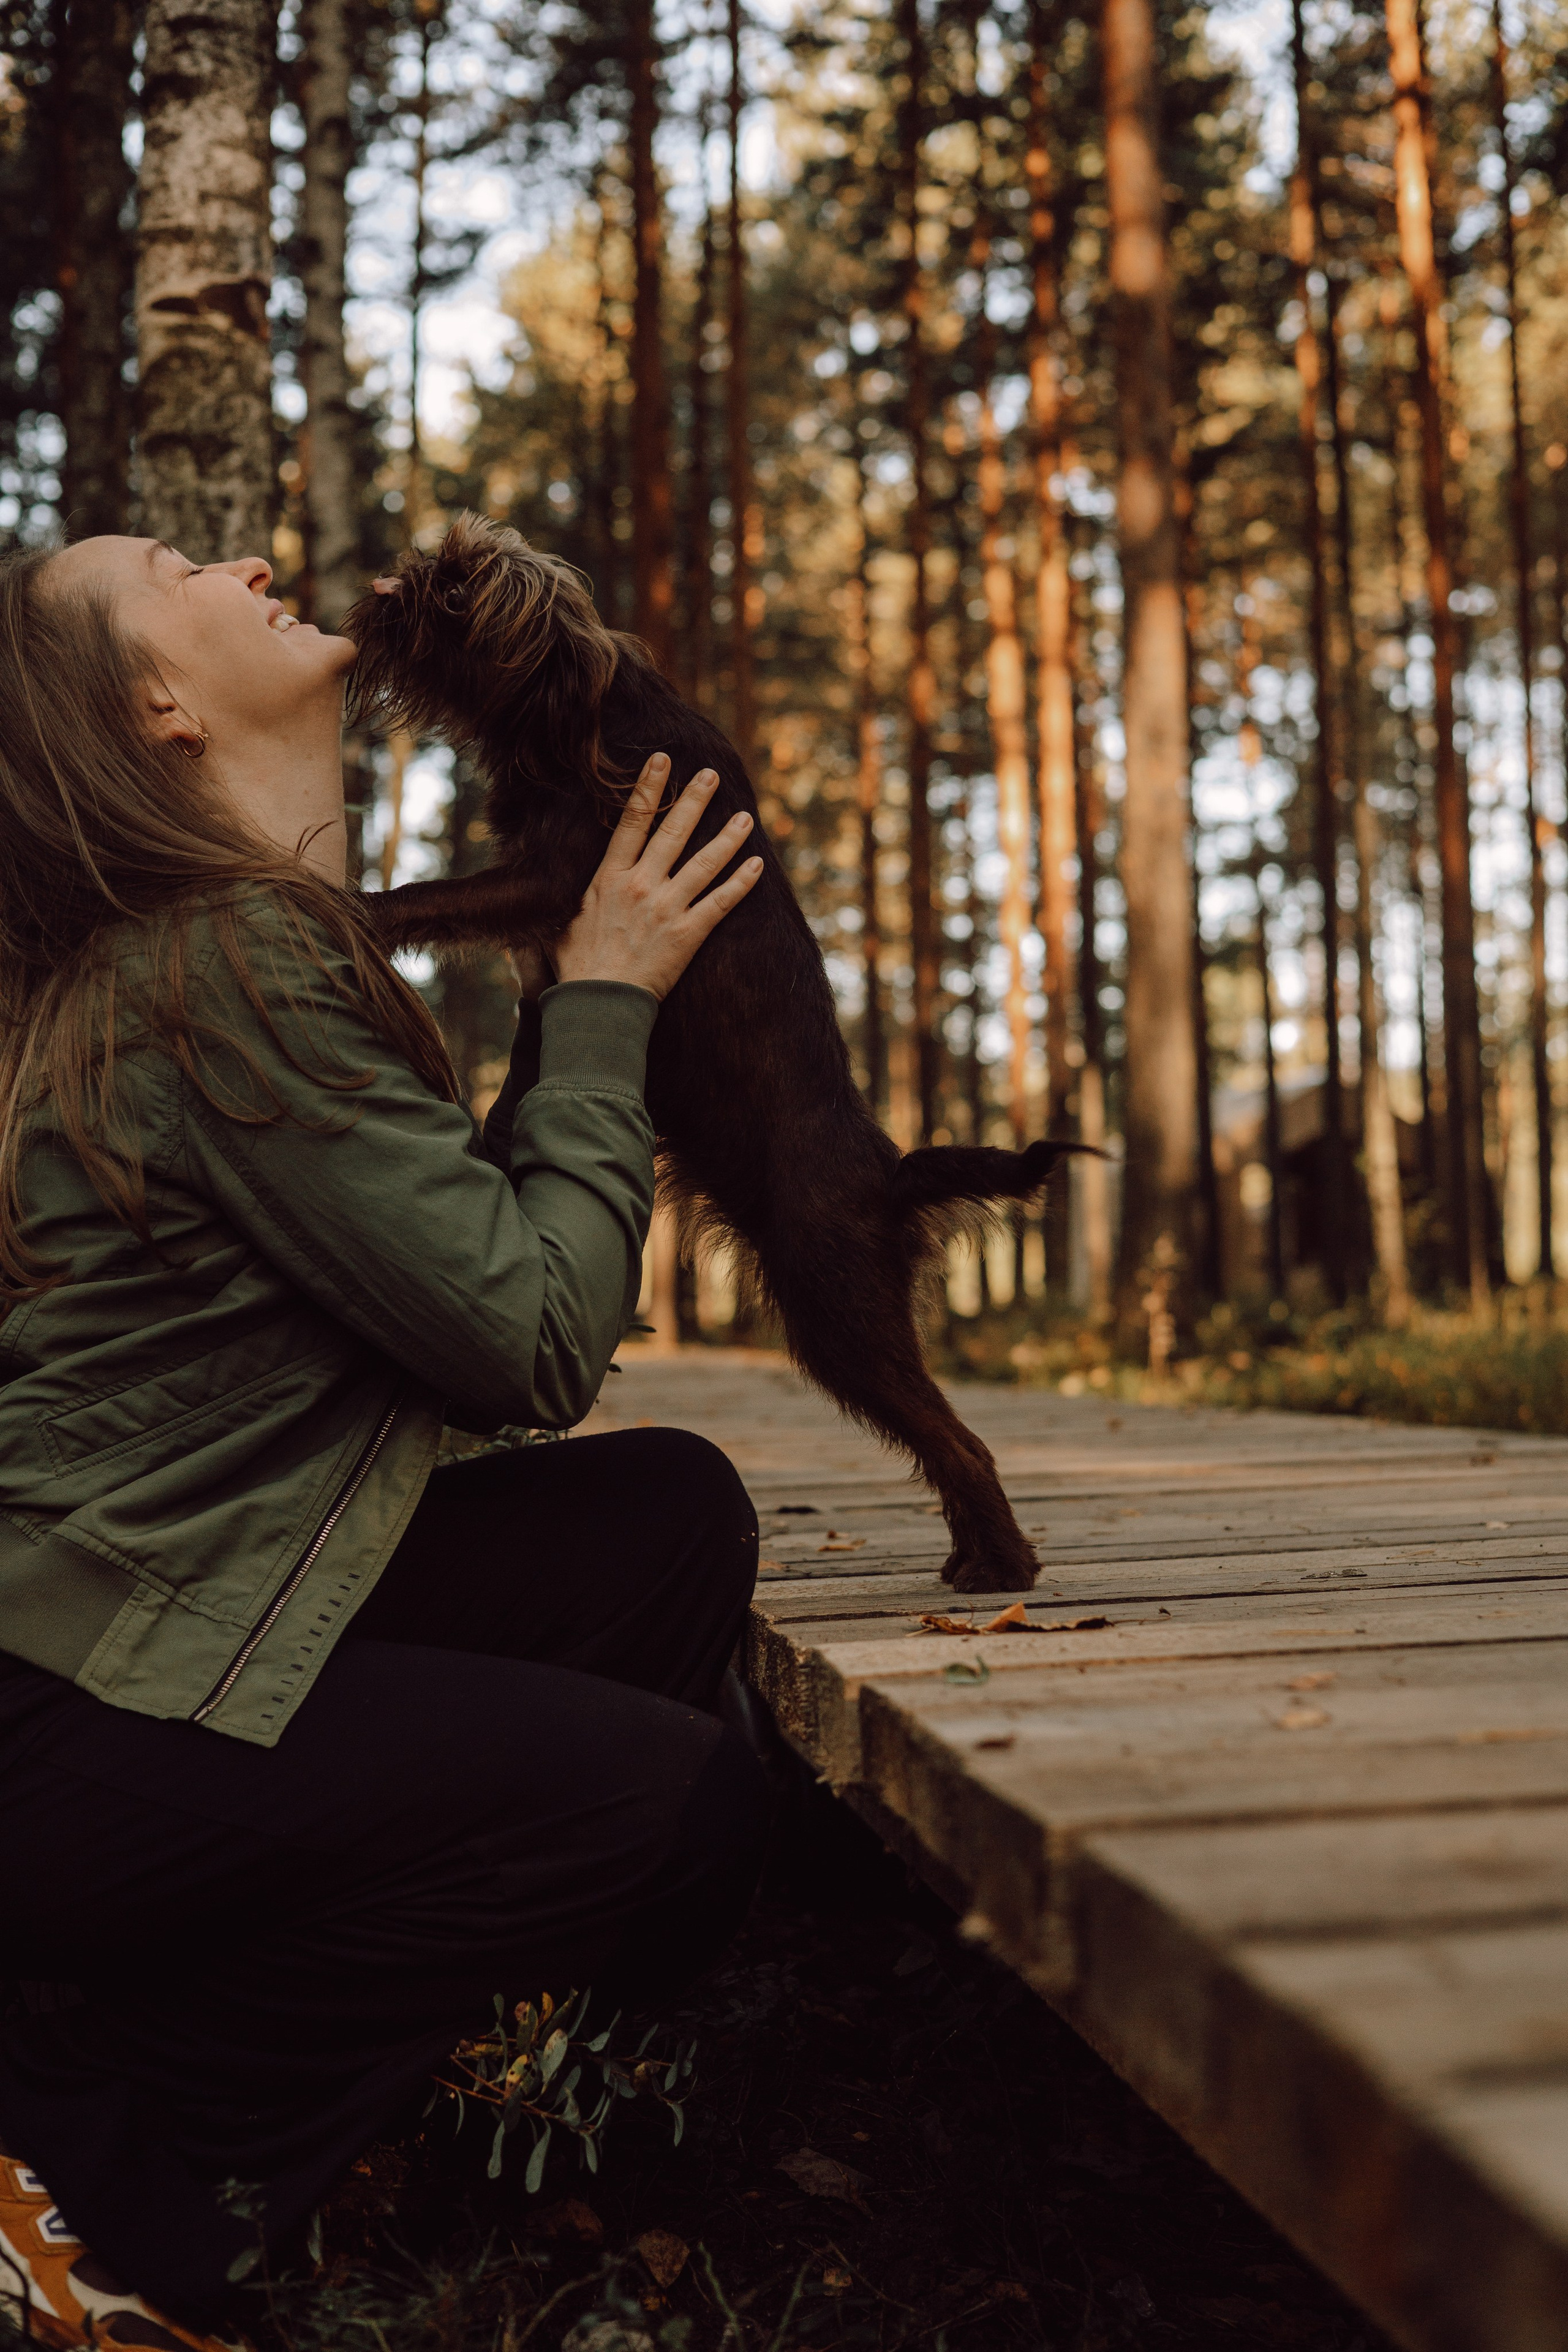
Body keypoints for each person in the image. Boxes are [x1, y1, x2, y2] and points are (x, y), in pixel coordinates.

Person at [0, 537, 772, 2350]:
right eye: (177, 567)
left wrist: (572, 1013)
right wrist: (604, 1010)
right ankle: (97, 2182)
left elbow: (462, 1280)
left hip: (160, 1617)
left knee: (667, 1521)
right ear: (159, 712)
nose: (250, 552)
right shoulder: (226, 962)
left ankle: (340, 2044)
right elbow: (533, 1337)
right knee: (666, 1796)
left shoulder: (210, 954)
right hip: (62, 1706)